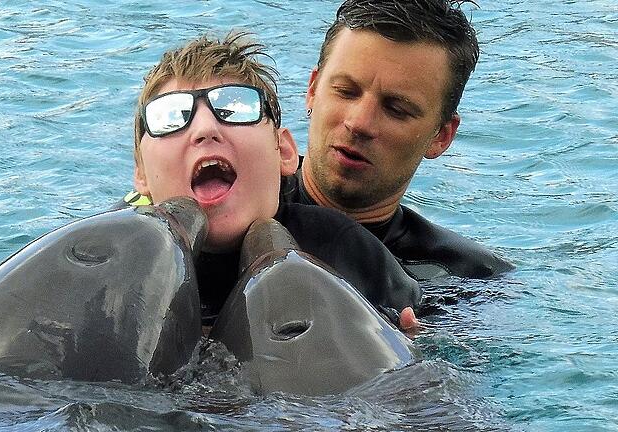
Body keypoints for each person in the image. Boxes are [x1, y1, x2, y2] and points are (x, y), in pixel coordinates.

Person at [125, 32, 422, 329]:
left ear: (284, 152)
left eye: (234, 109)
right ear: (141, 174)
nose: (205, 128)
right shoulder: (122, 260)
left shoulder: (345, 250)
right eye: (170, 118)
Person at [280, 0, 514, 280]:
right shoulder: (229, 209)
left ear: (441, 136)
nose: (359, 123)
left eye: (396, 109)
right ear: (313, 90)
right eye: (345, 91)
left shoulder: (469, 278)